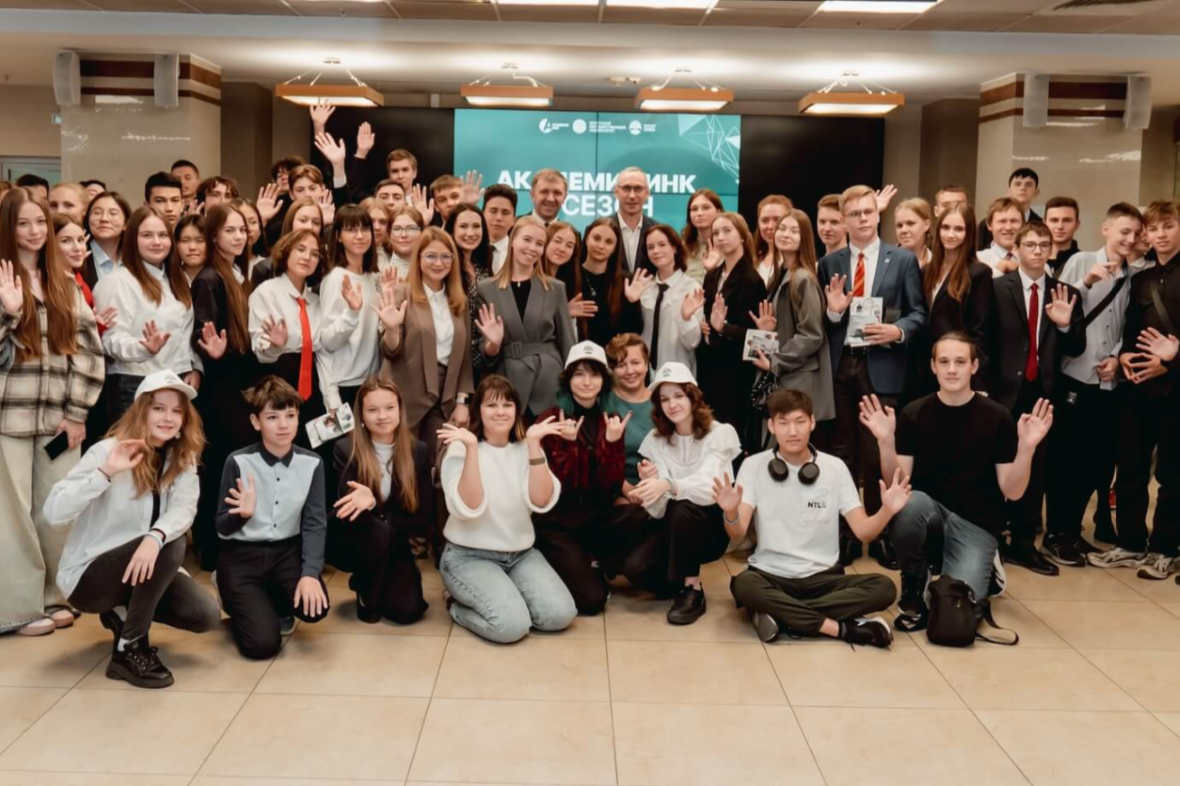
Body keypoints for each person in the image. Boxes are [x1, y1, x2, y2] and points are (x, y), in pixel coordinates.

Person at [860, 332, 1054, 625]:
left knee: (956, 611)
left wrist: (1027, 449)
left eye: (960, 362)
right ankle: (914, 579)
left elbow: (1012, 492)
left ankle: (987, 565)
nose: (952, 369)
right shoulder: (914, 413)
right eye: (944, 361)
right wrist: (885, 442)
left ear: (974, 367)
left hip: (977, 523)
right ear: (933, 366)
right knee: (906, 505)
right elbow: (898, 484)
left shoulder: (998, 417)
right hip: (929, 513)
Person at [43, 370, 220, 687]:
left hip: (146, 566)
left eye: (176, 411)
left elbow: (184, 509)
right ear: (141, 411)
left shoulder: (183, 458)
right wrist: (105, 472)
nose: (168, 418)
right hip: (90, 577)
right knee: (172, 543)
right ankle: (129, 647)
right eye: (159, 408)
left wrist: (154, 537)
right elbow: (53, 513)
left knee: (205, 614)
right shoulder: (107, 451)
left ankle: (123, 612)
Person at [721, 389, 908, 646]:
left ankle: (779, 613)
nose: (793, 431)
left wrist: (887, 510)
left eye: (800, 421)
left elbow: (864, 532)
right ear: (771, 426)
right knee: (743, 585)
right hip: (770, 574)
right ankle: (842, 629)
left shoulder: (834, 468)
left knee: (884, 588)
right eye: (784, 423)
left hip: (824, 578)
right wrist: (730, 512)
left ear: (812, 422)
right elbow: (737, 532)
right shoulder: (754, 465)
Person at [0, 189, 104, 636]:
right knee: (13, 518)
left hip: (59, 420)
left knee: (57, 508)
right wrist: (9, 314)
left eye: (40, 222)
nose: (33, 231)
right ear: (8, 227)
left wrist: (77, 412)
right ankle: (18, 609)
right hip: (8, 420)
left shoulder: (63, 281)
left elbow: (89, 351)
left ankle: (55, 595)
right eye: (22, 223)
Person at [818, 184, 926, 569]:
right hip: (840, 367)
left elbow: (919, 314)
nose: (863, 219)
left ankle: (880, 534)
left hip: (882, 366)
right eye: (855, 214)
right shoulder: (829, 262)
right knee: (841, 453)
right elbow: (825, 322)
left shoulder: (903, 260)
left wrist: (897, 331)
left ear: (877, 214)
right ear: (844, 220)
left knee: (875, 454)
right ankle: (848, 534)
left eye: (868, 212)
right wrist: (833, 312)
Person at [1044, 203, 1149, 567]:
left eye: (1136, 233)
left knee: (1094, 463)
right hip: (1074, 376)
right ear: (1106, 229)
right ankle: (1056, 533)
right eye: (1124, 231)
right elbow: (1059, 308)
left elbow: (1129, 326)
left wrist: (1117, 357)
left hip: (1107, 383)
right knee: (1065, 460)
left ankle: (1073, 530)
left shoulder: (1135, 276)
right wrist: (1087, 282)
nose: (1129, 239)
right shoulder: (1081, 261)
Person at [436, 374, 576, 643]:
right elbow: (469, 507)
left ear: (516, 410)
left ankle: (506, 596)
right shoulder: (460, 447)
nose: (500, 412)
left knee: (560, 615)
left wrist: (534, 446)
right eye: (491, 405)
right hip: (468, 556)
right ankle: (455, 603)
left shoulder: (527, 447)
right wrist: (471, 450)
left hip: (520, 554)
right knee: (510, 627)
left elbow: (541, 501)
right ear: (478, 410)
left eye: (507, 405)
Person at [990, 222, 1085, 576]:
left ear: (1052, 250)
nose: (1038, 250)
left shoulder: (1066, 292)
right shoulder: (997, 288)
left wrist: (1064, 325)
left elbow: (1077, 347)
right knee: (994, 464)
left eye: (1044, 245)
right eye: (1030, 244)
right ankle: (991, 538)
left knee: (1035, 468)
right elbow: (981, 337)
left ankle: (1024, 543)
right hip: (1000, 390)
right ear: (1016, 249)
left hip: (1043, 392)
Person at [1092, 200, 1180, 578]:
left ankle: (1165, 548)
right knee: (1129, 468)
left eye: (1168, 226)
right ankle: (1129, 542)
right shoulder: (1141, 278)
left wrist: (1171, 360)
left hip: (1174, 390)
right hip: (1136, 388)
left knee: (1172, 475)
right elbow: (1129, 328)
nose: (1160, 235)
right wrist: (1125, 355)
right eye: (1153, 229)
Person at [215, 376, 330, 659]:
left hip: (286, 554)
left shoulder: (312, 463)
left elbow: (314, 523)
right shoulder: (238, 461)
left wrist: (310, 573)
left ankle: (274, 602)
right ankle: (230, 594)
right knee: (263, 646)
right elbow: (221, 528)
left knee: (315, 608)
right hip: (242, 556)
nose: (283, 425)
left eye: (290, 415)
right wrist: (242, 515)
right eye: (272, 417)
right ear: (256, 422)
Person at [623, 362, 740, 624]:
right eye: (664, 399)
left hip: (709, 527)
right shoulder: (656, 440)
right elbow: (659, 511)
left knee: (683, 506)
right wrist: (650, 486)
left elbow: (711, 487)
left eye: (678, 396)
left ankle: (692, 588)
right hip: (673, 525)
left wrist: (669, 485)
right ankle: (677, 582)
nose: (672, 404)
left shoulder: (720, 433)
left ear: (692, 397)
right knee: (635, 569)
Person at [533, 341, 630, 615]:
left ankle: (596, 561)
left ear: (604, 380)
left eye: (594, 374)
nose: (587, 382)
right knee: (591, 601)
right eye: (579, 374)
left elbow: (612, 484)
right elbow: (554, 487)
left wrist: (611, 443)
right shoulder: (550, 419)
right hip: (558, 523)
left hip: (595, 518)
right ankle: (555, 564)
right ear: (568, 379)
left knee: (638, 516)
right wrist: (566, 445)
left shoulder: (611, 420)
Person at [330, 378, 433, 624]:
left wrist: (375, 507)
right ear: (361, 414)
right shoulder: (346, 449)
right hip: (357, 541)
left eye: (389, 408)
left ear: (400, 410)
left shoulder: (418, 451)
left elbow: (424, 518)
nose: (382, 416)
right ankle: (366, 588)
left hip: (396, 542)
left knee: (407, 612)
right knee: (376, 529)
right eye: (373, 409)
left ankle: (383, 581)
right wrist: (375, 513)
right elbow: (349, 511)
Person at [190, 203, 256, 571]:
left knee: (234, 467)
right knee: (218, 468)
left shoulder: (239, 274)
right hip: (220, 388)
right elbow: (204, 333)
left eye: (242, 229)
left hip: (240, 384)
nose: (238, 236)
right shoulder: (209, 278)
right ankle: (210, 547)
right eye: (230, 230)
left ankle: (229, 541)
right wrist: (212, 350)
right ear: (213, 235)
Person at [248, 228, 359, 437]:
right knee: (283, 448)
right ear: (286, 252)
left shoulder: (315, 301)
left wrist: (333, 400)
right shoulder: (266, 292)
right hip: (278, 388)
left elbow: (323, 353)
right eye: (300, 249)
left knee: (326, 448)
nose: (307, 257)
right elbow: (261, 354)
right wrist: (275, 345)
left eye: (315, 254)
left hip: (315, 391)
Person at [377, 226, 474, 461]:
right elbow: (390, 350)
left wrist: (462, 401)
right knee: (402, 465)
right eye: (431, 256)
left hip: (444, 398)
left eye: (445, 256)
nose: (438, 263)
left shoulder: (458, 300)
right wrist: (391, 328)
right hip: (406, 394)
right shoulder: (401, 293)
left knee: (439, 464)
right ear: (418, 258)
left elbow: (464, 356)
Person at [93, 206, 194, 422]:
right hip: (134, 383)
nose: (157, 242)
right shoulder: (116, 282)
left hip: (174, 381)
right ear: (132, 239)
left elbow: (185, 331)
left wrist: (193, 367)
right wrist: (143, 348)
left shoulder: (178, 280)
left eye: (163, 235)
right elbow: (108, 340)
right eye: (147, 235)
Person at [475, 216, 577, 419]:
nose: (533, 248)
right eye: (527, 240)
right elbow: (484, 351)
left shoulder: (556, 288)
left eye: (539, 243)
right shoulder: (486, 288)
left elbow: (568, 344)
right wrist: (493, 344)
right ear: (513, 240)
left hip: (548, 380)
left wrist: (573, 387)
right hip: (506, 381)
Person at [754, 209, 833, 426]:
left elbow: (812, 334)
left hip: (798, 380)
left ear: (804, 238)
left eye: (794, 231)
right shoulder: (780, 275)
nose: (785, 234)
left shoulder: (802, 278)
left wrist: (775, 361)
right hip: (784, 377)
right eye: (782, 228)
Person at [697, 211, 767, 448]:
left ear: (742, 236)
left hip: (735, 372)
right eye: (716, 232)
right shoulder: (712, 275)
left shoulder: (752, 280)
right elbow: (708, 317)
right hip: (708, 366)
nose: (720, 237)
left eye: (727, 231)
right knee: (707, 434)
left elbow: (758, 338)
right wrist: (705, 327)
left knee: (730, 439)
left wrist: (723, 328)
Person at [914, 203, 994, 395]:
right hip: (924, 368)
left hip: (956, 369)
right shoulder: (926, 271)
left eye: (958, 229)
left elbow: (980, 332)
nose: (950, 234)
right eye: (945, 227)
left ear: (969, 233)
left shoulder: (978, 273)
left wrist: (978, 382)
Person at [320, 205, 380, 411]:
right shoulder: (335, 278)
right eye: (351, 229)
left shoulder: (373, 278)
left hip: (372, 381)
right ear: (338, 236)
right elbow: (327, 340)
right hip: (345, 383)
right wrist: (352, 312)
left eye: (365, 229)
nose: (360, 236)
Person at [629, 223, 703, 374]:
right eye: (650, 247)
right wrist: (631, 303)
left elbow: (692, 343)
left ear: (675, 247)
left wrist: (686, 318)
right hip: (643, 372)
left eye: (662, 245)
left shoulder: (692, 288)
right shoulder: (643, 286)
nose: (656, 251)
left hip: (678, 371)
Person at [602, 333, 656, 492]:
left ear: (647, 364)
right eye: (621, 365)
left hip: (659, 487)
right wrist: (626, 490)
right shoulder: (603, 402)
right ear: (611, 370)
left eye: (635, 362)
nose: (630, 371)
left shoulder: (663, 403)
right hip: (613, 489)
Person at [579, 216, 641, 346]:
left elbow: (635, 330)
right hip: (574, 353)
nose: (601, 246)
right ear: (586, 239)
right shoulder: (570, 275)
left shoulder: (626, 281)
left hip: (612, 355)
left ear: (615, 248)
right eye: (596, 238)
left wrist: (632, 303)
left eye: (609, 242)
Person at [978, 168, 1041, 249]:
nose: (1023, 188)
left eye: (1028, 185)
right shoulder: (986, 225)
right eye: (1017, 184)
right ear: (1008, 191)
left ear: (1036, 192)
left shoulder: (1041, 224)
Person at [82, 191, 132, 287]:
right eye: (97, 213)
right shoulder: (78, 255)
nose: (104, 219)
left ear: (126, 223)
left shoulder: (134, 259)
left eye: (113, 213)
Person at [612, 167, 656, 274]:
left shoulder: (659, 231)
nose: (632, 196)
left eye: (638, 189)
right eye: (626, 188)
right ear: (616, 192)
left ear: (647, 193)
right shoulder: (598, 230)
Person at [681, 188, 723, 284]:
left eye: (706, 208)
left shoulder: (728, 245)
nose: (699, 213)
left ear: (718, 211)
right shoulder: (682, 247)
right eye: (694, 209)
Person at [977, 198, 1025, 278]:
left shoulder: (1036, 259)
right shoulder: (978, 259)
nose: (1008, 227)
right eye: (1002, 221)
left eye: (1014, 221)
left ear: (1023, 225)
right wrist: (1000, 269)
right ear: (989, 225)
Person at [754, 195, 792, 286]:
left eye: (777, 220)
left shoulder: (797, 261)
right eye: (764, 220)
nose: (770, 226)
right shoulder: (753, 259)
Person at [483, 183, 517, 274]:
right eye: (493, 211)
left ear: (513, 220)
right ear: (482, 214)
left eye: (505, 213)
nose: (499, 218)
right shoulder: (471, 251)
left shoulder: (518, 255)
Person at [1044, 196, 1082, 276]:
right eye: (1054, 220)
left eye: (1067, 220)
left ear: (1077, 224)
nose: (1060, 226)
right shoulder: (1029, 261)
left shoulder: (1084, 262)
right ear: (1044, 223)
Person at [385, 205, 424, 280]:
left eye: (411, 228)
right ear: (389, 235)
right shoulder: (383, 272)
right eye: (397, 229)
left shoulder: (433, 267)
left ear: (422, 233)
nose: (404, 235)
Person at [895, 198, 932, 267]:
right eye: (899, 225)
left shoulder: (938, 263)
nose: (903, 230)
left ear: (926, 225)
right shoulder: (886, 262)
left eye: (910, 223)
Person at [360, 197, 394, 271]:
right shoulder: (355, 258)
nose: (377, 227)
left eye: (383, 222)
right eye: (371, 221)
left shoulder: (392, 252)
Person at [174, 214, 206, 283]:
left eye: (200, 240)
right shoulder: (167, 280)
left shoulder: (221, 278)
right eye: (185, 241)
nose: (192, 247)